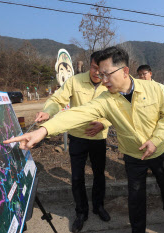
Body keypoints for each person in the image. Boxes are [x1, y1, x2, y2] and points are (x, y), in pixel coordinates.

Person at [4, 46, 164, 233]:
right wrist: (43, 131)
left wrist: (155, 140)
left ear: (124, 71)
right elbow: (77, 113)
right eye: (100, 73)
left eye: (107, 74)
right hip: (134, 155)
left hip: (159, 150)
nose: (103, 80)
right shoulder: (106, 99)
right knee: (136, 198)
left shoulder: (156, 88)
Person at [35, 51, 112, 233]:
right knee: (77, 177)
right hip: (77, 137)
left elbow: (117, 109)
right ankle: (81, 212)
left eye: (101, 70)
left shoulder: (109, 84)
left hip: (99, 138)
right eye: (94, 68)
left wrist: (104, 124)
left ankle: (98, 206)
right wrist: (48, 111)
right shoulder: (75, 81)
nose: (97, 73)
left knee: (99, 174)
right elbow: (57, 99)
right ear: (89, 64)